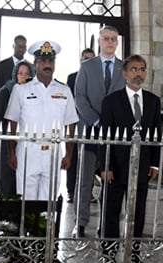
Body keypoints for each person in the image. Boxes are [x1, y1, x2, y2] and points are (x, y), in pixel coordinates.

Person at [98, 54, 161, 263]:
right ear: (125, 73)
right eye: (134, 69)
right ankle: (108, 254)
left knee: (138, 212)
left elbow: (155, 135)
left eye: (142, 69)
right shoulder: (111, 101)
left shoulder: (153, 101)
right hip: (116, 167)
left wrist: (154, 163)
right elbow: (104, 137)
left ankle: (134, 254)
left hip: (141, 168)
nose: (138, 73)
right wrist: (105, 167)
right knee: (112, 212)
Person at [4, 41, 78, 201]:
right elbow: (13, 122)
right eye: (43, 61)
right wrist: (11, 152)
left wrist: (68, 155)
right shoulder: (21, 89)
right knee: (26, 200)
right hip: (27, 150)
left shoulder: (64, 90)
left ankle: (48, 226)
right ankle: (29, 227)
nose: (47, 65)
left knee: (49, 200)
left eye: (50, 61)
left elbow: (70, 124)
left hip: (53, 150)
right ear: (35, 63)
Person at [73, 26, 126, 238]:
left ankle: (106, 224)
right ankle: (81, 222)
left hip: (115, 135)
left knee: (111, 182)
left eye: (114, 39)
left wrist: (112, 124)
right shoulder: (87, 67)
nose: (110, 42)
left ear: (117, 42)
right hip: (90, 131)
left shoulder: (124, 67)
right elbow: (79, 97)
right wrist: (96, 120)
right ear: (100, 42)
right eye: (106, 39)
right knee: (85, 180)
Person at [0, 60, 35, 197]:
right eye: (20, 73)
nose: (23, 76)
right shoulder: (6, 91)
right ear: (15, 75)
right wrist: (7, 132)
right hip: (9, 139)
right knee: (8, 174)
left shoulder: (35, 91)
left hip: (28, 140)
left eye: (27, 73)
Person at [65, 48, 95, 204]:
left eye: (91, 58)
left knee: (89, 159)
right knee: (73, 157)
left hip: (91, 123)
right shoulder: (72, 78)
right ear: (80, 59)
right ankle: (71, 190)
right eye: (85, 58)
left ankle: (87, 191)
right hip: (75, 122)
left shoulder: (98, 78)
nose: (87, 61)